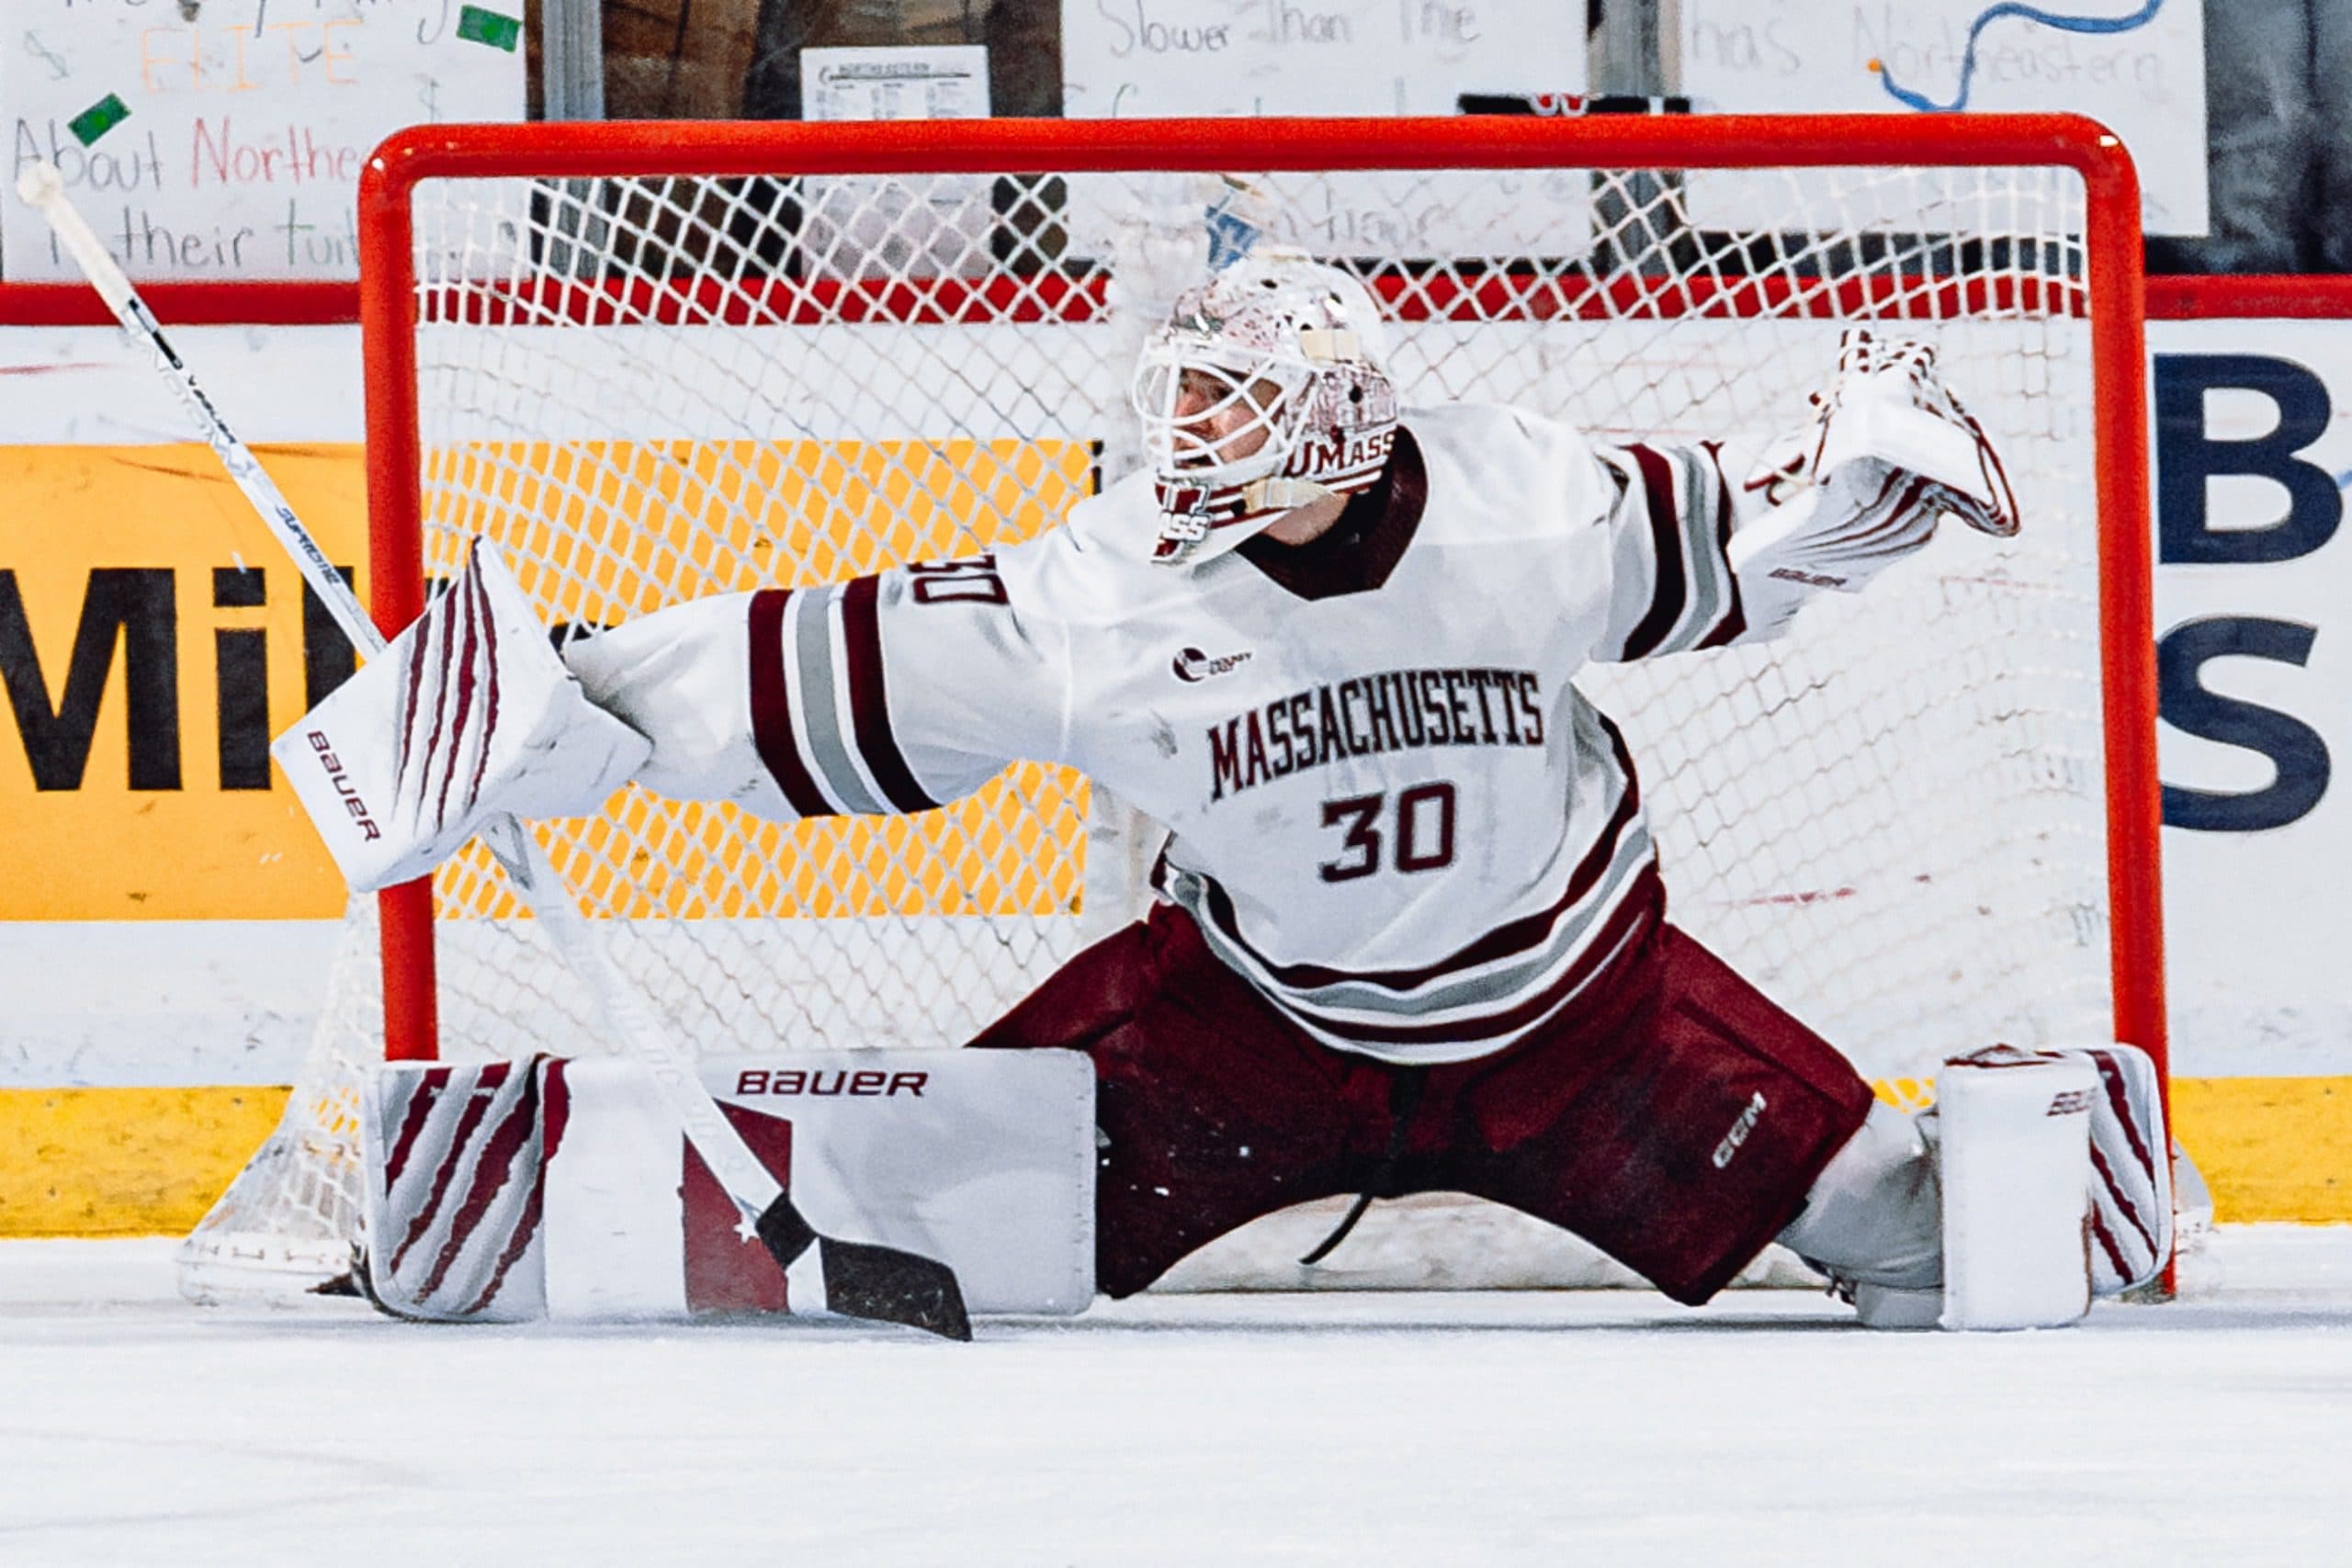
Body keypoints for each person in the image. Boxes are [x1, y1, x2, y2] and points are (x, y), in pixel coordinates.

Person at [513, 244, 2042, 1327]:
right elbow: (843, 664)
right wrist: (574, 691)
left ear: (1334, 421)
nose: (1187, 438)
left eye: (1230, 408)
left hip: (1594, 1031)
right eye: (1186, 400)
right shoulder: (1106, 590)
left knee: (1925, 1249)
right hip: (1245, 1036)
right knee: (891, 1209)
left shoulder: (1523, 501)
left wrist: (1861, 490)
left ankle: (2058, 1179)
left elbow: (1751, 534)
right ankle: (510, 1203)